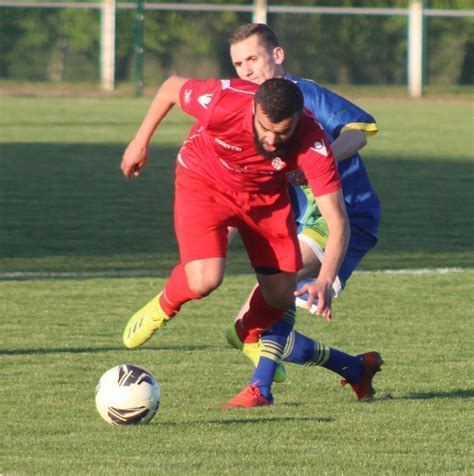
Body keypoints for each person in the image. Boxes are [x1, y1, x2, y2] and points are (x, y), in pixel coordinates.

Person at [120, 75, 350, 407]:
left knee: (280, 296)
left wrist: (326, 280)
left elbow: (338, 221)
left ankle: (247, 332)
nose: (271, 140)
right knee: (205, 279)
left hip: (265, 201)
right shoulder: (223, 102)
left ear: (298, 119)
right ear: (255, 108)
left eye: (282, 132)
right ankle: (164, 305)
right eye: (265, 128)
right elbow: (170, 87)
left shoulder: (312, 141)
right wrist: (140, 141)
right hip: (204, 182)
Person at [223, 23, 383, 407]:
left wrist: (320, 160)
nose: (246, 70)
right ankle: (354, 367)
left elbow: (359, 131)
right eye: (238, 63)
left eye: (252, 59)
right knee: (244, 327)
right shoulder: (252, 112)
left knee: (276, 290)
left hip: (347, 213)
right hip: (302, 222)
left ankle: (260, 388)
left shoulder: (304, 94)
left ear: (276, 56)